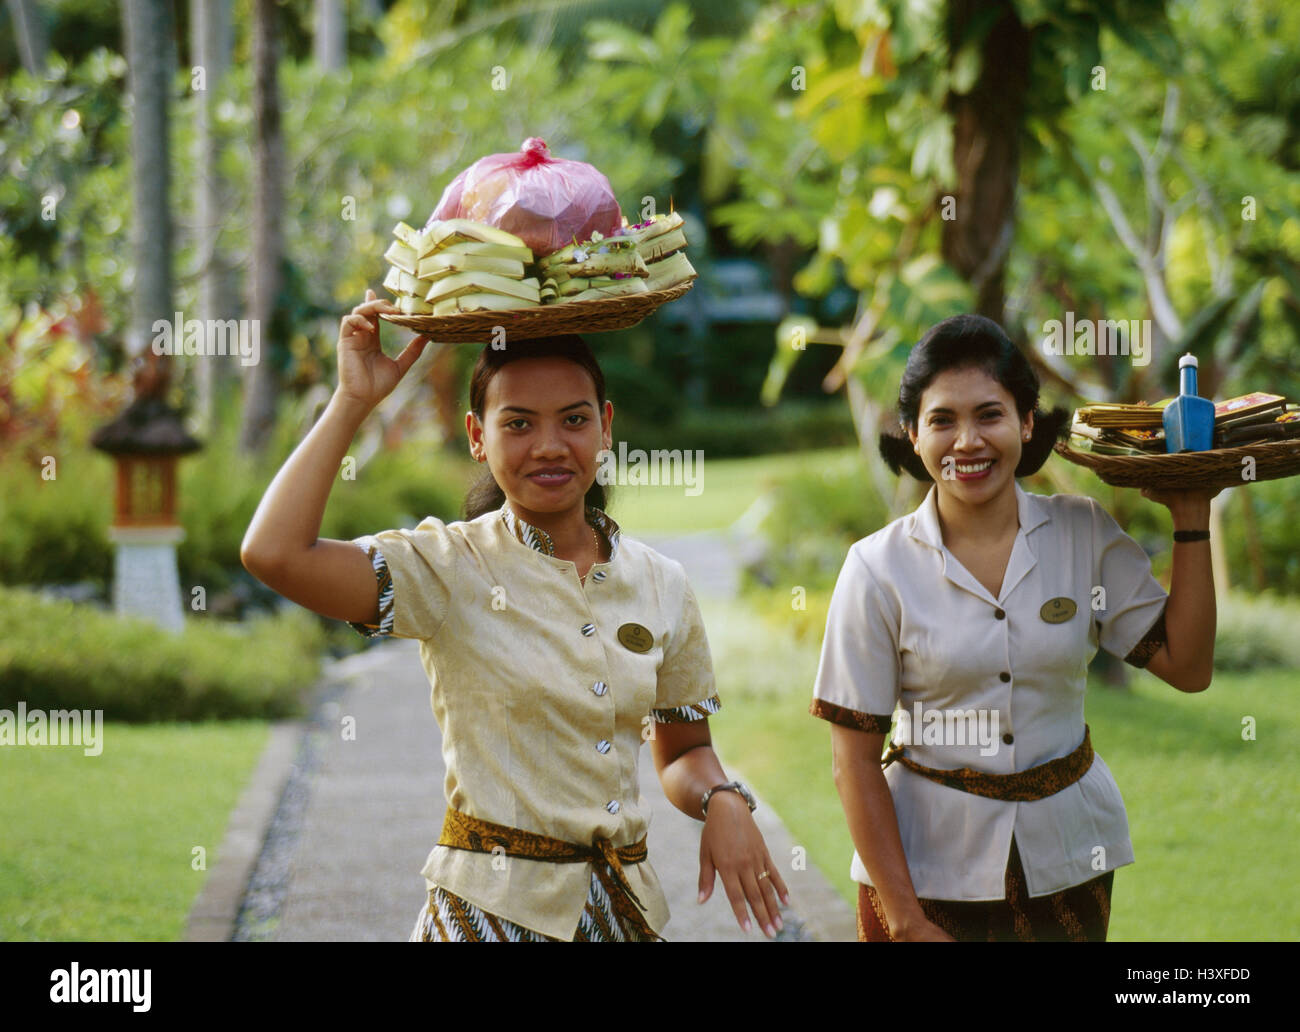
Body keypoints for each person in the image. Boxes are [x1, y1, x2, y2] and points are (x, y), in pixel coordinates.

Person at [241, 289, 790, 941]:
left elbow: (684, 752)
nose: (550, 446)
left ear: (607, 426)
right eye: (519, 423)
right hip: (486, 918)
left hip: (622, 917)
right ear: (478, 436)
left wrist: (721, 797)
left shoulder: (661, 583)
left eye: (575, 420)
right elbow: (274, 554)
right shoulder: (446, 567)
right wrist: (352, 400)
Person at [810, 313, 1219, 942]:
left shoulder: (1083, 534)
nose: (967, 441)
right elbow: (854, 762)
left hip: (1068, 865)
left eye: (990, 414)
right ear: (912, 435)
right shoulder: (876, 568)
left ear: (1027, 423)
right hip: (921, 879)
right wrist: (906, 920)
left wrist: (1192, 520)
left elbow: (1187, 669)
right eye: (942, 419)